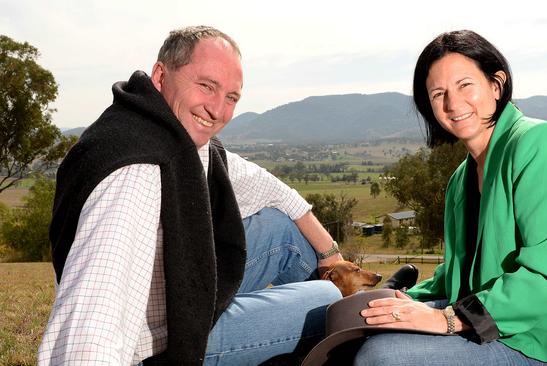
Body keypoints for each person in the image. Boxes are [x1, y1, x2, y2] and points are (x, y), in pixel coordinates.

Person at [38, 25, 342, 365]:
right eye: (206, 86)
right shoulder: (139, 173)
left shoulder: (168, 134)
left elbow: (270, 188)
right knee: (323, 298)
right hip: (162, 344)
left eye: (231, 97)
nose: (217, 110)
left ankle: (361, 295)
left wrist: (332, 255)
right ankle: (358, 323)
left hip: (178, 293)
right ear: (159, 76)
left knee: (280, 228)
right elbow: (92, 322)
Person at [353, 30, 547, 365]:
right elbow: (458, 272)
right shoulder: (461, 178)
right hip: (488, 324)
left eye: (465, 85)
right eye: (438, 93)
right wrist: (400, 299)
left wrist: (445, 319)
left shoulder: (542, 144)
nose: (453, 103)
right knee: (365, 325)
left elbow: (546, 277)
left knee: (382, 356)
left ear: (496, 84)